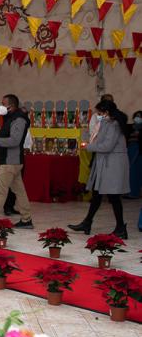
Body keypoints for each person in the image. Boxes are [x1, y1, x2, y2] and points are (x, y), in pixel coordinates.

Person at [69, 99, 130, 238]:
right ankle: (87, 222)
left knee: (114, 196)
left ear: (106, 112)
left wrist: (88, 147)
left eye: (100, 113)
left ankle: (121, 228)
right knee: (97, 194)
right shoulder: (106, 123)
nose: (98, 115)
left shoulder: (114, 125)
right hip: (104, 163)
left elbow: (107, 146)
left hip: (112, 164)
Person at [0, 95, 33, 228]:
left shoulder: (19, 120)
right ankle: (27, 219)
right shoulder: (10, 118)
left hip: (10, 161)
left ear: (12, 106)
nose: (1, 106)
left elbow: (14, 140)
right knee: (20, 192)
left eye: (3, 104)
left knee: (1, 191)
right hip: (11, 161)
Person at [127, 110, 142, 199]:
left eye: (140, 116)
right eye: (136, 116)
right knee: (130, 172)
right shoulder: (130, 127)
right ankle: (131, 192)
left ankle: (135, 193)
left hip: (138, 151)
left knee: (137, 172)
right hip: (130, 150)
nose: (138, 118)